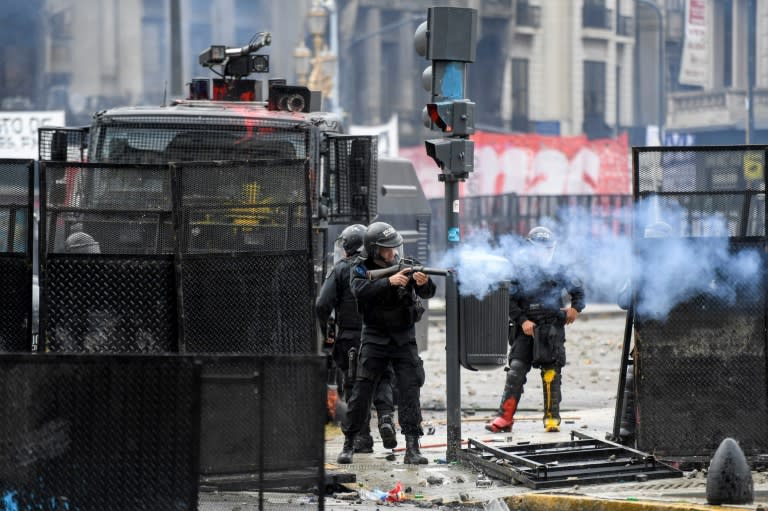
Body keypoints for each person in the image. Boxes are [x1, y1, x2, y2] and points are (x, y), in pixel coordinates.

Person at [336, 222, 436, 465]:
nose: (392, 254)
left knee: (410, 390)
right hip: (375, 337)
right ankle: (349, 443)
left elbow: (428, 293)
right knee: (361, 392)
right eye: (386, 250)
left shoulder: (406, 264)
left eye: (394, 248)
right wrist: (389, 282)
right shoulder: (359, 268)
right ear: (373, 250)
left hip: (403, 338)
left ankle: (412, 446)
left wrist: (423, 283)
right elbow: (359, 290)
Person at [485, 226, 586, 434]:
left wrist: (575, 309)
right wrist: (522, 321)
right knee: (515, 371)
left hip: (551, 328)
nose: (543, 252)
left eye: (547, 248)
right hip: (525, 329)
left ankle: (551, 419)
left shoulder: (560, 268)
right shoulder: (517, 268)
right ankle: (505, 418)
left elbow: (579, 290)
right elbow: (508, 298)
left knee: (551, 373)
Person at [315, 224, 397, 453]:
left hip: (350, 339)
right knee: (382, 379)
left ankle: (362, 439)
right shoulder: (384, 267)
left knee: (354, 387)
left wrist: (328, 330)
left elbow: (322, 304)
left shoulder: (341, 269)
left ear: (348, 247)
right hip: (381, 335)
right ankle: (386, 418)